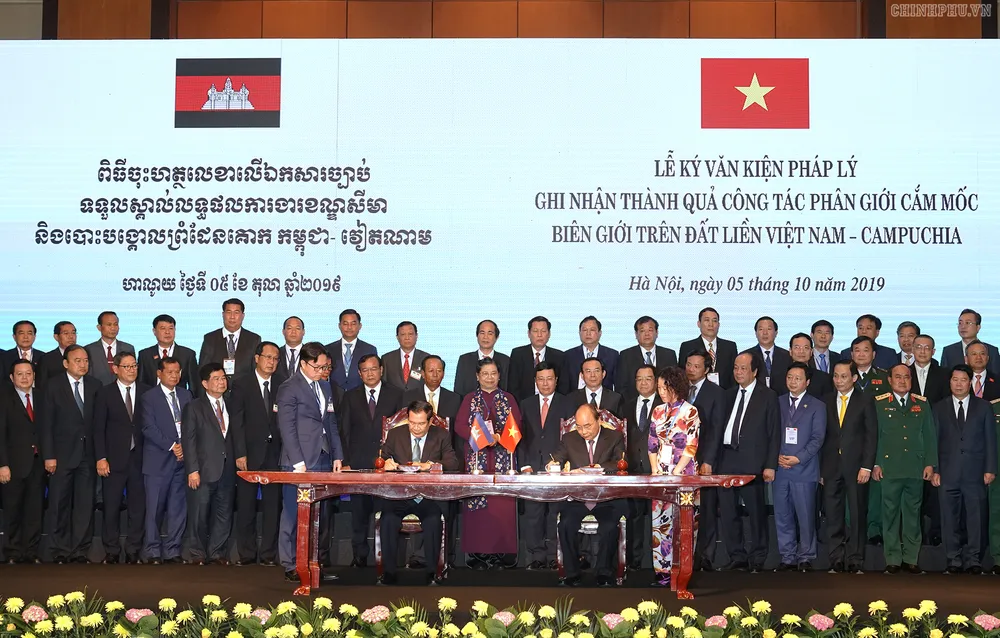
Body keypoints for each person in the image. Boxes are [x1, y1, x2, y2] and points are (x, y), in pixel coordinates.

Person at [276, 342, 344, 583]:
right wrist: (297, 462)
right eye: (317, 367)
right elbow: (287, 427)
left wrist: (337, 455)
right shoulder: (289, 387)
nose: (321, 371)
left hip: (323, 458)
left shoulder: (324, 386)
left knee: (319, 516)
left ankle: (314, 564)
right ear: (303, 364)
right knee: (293, 515)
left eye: (325, 367)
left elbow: (331, 423)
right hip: (299, 461)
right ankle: (291, 564)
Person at [377, 400, 462, 586]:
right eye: (412, 422)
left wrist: (430, 466)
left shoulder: (441, 435)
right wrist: (385, 463)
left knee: (433, 520)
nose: (415, 428)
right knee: (388, 518)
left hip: (428, 496)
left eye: (421, 423)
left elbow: (453, 463)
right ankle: (388, 573)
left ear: (430, 422)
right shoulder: (396, 434)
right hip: (400, 495)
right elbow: (381, 459)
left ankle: (432, 573)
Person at [453, 357, 522, 570]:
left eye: (493, 373)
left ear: (499, 375)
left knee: (502, 507)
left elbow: (517, 425)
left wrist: (499, 437)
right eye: (485, 374)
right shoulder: (469, 399)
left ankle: (502, 555)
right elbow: (459, 426)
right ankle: (478, 554)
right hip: (477, 461)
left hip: (503, 461)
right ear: (477, 376)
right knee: (478, 509)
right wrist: (482, 437)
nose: (489, 378)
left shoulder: (508, 398)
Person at [716, 352, 779, 572]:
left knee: (756, 512)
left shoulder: (768, 396)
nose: (738, 372)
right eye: (736, 367)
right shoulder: (727, 394)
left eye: (743, 368)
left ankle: (758, 557)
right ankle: (737, 557)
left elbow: (774, 433)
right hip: (726, 459)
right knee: (728, 511)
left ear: (755, 371)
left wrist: (770, 465)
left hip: (753, 462)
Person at [552, 403, 626, 587]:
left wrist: (596, 468)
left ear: (598, 421)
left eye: (587, 426)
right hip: (578, 498)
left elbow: (621, 462)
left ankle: (603, 573)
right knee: (565, 525)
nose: (583, 432)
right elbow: (556, 460)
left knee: (609, 527)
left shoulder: (614, 437)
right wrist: (552, 466)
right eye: (579, 427)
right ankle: (572, 573)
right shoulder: (569, 439)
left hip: (606, 498)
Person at [931, 364, 996, 574]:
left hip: (975, 473)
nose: (958, 384)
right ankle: (953, 559)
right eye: (955, 380)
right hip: (947, 473)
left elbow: (990, 440)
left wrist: (990, 469)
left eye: (963, 380)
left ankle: (974, 559)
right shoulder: (939, 408)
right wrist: (935, 469)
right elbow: (934, 441)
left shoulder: (984, 407)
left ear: (970, 382)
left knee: (975, 518)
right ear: (949, 382)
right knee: (949, 518)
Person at [340, 354, 403, 567]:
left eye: (374, 369)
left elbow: (401, 431)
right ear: (359, 373)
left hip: (387, 465)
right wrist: (347, 461)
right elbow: (344, 431)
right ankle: (359, 556)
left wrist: (395, 460)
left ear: (381, 370)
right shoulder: (350, 396)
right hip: (358, 465)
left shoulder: (396, 394)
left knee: (386, 513)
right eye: (365, 370)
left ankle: (386, 557)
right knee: (359, 514)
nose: (370, 373)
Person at [873, 363, 936, 574]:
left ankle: (911, 558)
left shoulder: (922, 404)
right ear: (889, 380)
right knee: (889, 514)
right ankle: (892, 558)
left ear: (911, 380)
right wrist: (876, 463)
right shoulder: (880, 403)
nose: (902, 381)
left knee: (912, 514)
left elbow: (929, 435)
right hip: (889, 467)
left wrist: (930, 463)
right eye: (898, 377)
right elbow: (875, 436)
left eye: (906, 377)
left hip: (915, 467)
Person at [40, 344, 101, 563]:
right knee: (59, 504)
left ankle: (80, 550)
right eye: (78, 361)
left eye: (85, 360)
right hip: (61, 456)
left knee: (85, 505)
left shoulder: (95, 385)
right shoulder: (52, 385)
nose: (83, 364)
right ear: (66, 363)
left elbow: (98, 423)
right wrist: (49, 455)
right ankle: (59, 550)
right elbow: (46, 424)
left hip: (88, 455)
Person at [229, 342, 286, 566]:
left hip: (275, 454)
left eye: (275, 358)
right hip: (249, 454)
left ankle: (269, 554)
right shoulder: (241, 383)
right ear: (256, 358)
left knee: (273, 507)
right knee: (246, 505)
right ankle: (246, 553)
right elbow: (237, 421)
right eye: (267, 357)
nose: (271, 362)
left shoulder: (282, 384)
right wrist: (240, 453)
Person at [182, 363, 245, 565]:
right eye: (216, 379)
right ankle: (197, 553)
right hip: (203, 469)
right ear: (204, 383)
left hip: (227, 469)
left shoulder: (231, 404)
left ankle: (217, 552)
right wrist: (192, 469)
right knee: (199, 514)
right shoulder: (194, 407)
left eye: (223, 378)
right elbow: (189, 440)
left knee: (224, 513)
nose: (221, 382)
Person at [402, 354, 462, 567]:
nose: (435, 375)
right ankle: (418, 556)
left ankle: (445, 557)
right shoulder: (409, 396)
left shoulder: (454, 399)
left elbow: (456, 438)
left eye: (439, 370)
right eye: (431, 370)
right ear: (422, 372)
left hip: (443, 469)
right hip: (413, 469)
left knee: (445, 510)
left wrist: (448, 465)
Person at [93, 352, 150, 563]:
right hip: (113, 460)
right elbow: (98, 428)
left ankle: (134, 549)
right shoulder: (104, 393)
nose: (132, 370)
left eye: (134, 365)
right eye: (127, 366)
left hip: (141, 459)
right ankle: (112, 550)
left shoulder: (147, 391)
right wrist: (101, 457)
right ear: (115, 369)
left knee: (138, 508)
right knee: (111, 507)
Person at [821, 360, 877, 574]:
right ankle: (835, 558)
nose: (839, 380)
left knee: (856, 513)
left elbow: (871, 436)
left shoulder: (865, 400)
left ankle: (855, 558)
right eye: (836, 376)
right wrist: (821, 470)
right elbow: (822, 437)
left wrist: (867, 467)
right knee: (833, 514)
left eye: (843, 376)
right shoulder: (825, 400)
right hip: (831, 467)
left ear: (854, 378)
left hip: (856, 467)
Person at [648, 366, 700, 586]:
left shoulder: (690, 411)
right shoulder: (657, 411)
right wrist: (655, 470)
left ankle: (682, 570)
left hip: (683, 472)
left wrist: (677, 472)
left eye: (664, 387)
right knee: (660, 522)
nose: (661, 391)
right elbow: (652, 443)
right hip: (661, 472)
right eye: (659, 388)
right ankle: (662, 571)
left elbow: (691, 446)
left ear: (676, 387)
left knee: (684, 523)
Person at [773, 363, 826, 572]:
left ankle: (806, 556)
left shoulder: (817, 405)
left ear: (807, 382)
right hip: (780, 468)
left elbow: (817, 438)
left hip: (804, 468)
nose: (793, 381)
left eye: (798, 378)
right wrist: (775, 456)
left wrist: (798, 458)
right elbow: (770, 432)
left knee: (805, 516)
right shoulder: (777, 402)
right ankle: (787, 556)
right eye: (790, 377)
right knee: (782, 515)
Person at [517, 361, 570, 569]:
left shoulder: (567, 403)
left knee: (555, 513)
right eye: (541, 379)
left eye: (549, 379)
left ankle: (554, 556)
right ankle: (536, 557)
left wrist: (558, 462)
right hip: (531, 467)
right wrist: (524, 465)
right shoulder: (525, 404)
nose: (545, 383)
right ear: (535, 381)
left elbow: (571, 438)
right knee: (533, 514)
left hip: (557, 467)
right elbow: (519, 437)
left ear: (556, 380)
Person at [139, 357, 192, 564]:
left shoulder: (186, 394)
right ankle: (152, 551)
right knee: (154, 509)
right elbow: (148, 427)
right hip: (158, 461)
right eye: (170, 372)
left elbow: (191, 425)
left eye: (177, 371)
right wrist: (172, 446)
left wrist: (184, 447)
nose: (174, 375)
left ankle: (173, 550)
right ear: (159, 374)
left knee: (178, 508)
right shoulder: (149, 397)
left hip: (182, 461)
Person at [0, 360, 44, 563]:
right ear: (12, 377)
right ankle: (12, 552)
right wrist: (2, 464)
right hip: (13, 465)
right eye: (20, 374)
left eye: (29, 373)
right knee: (13, 510)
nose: (25, 377)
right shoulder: (4, 399)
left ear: (34, 375)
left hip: (37, 463)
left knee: (34, 510)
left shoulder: (42, 397)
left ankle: (31, 552)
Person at [688, 350, 725, 571]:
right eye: (688, 365)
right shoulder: (679, 390)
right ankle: (687, 554)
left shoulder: (716, 393)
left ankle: (706, 555)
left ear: (707, 369)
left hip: (705, 459)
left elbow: (717, 430)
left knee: (707, 509)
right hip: (682, 461)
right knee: (686, 509)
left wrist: (708, 460)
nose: (691, 369)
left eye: (696, 366)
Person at [623, 364, 661, 569]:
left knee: (657, 518)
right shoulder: (627, 405)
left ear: (656, 381)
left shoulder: (664, 405)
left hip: (656, 470)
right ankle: (635, 560)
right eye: (639, 379)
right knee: (634, 516)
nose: (643, 383)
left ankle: (657, 561)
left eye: (648, 378)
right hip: (632, 470)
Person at [616, 316, 678, 401]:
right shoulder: (626, 355)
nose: (647, 334)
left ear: (657, 332)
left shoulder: (669, 355)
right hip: (635, 404)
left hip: (664, 403)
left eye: (650, 330)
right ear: (636, 334)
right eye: (642, 331)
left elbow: (675, 383)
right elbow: (621, 386)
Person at [198, 298, 262, 379]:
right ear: (223, 314)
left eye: (236, 312)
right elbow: (203, 370)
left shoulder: (253, 339)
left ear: (243, 316)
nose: (232, 317)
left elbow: (257, 370)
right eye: (228, 312)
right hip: (217, 386)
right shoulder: (210, 338)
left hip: (244, 386)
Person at [137, 314, 199, 396]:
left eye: (171, 328)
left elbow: (194, 385)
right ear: (154, 331)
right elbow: (141, 383)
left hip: (179, 400)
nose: (167, 332)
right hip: (152, 399)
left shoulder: (188, 354)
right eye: (163, 328)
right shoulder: (145, 354)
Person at [679, 307, 738, 389]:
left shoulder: (730, 346)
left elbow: (734, 375)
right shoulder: (687, 346)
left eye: (714, 321)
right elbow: (682, 375)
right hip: (696, 393)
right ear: (699, 324)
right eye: (707, 320)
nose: (711, 324)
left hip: (725, 394)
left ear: (719, 325)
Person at [509, 316, 565, 402]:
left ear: (549, 334)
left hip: (552, 404)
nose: (539, 335)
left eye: (543, 331)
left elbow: (562, 386)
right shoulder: (518, 354)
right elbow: (513, 386)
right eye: (535, 331)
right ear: (529, 334)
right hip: (524, 404)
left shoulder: (559, 356)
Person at [560, 316, 619, 394]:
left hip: (605, 400)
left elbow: (618, 384)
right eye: (585, 330)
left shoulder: (612, 355)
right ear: (579, 333)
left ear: (600, 333)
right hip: (575, 399)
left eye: (592, 330)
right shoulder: (568, 355)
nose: (588, 333)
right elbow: (564, 385)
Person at [326, 309, 378, 393]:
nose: (349, 327)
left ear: (360, 326)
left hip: (360, 395)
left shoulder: (369, 349)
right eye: (345, 323)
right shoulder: (328, 349)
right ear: (339, 326)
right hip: (333, 395)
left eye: (353, 324)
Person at [454, 320, 510, 397]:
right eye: (482, 333)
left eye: (490, 333)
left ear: (496, 337)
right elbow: (458, 390)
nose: (485, 337)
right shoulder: (464, 360)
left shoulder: (505, 361)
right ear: (477, 336)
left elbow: (508, 388)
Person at [941, 309, 1000, 377]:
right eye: (960, 323)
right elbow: (944, 378)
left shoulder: (992, 351)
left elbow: (997, 377)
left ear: (978, 327)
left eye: (968, 323)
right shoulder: (948, 351)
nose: (963, 327)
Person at [84, 311, 135, 386]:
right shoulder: (89, 350)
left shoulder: (128, 348)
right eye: (109, 324)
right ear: (99, 327)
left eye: (115, 324)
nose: (113, 328)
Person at [745, 316, 791, 396]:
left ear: (776, 333)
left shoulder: (787, 356)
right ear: (756, 333)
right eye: (761, 329)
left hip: (781, 399)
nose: (765, 333)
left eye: (769, 329)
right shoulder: (746, 356)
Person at [381, 321, 428, 393]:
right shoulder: (386, 359)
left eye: (410, 334)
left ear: (416, 336)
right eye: (403, 334)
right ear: (397, 337)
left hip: (419, 399)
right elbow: (383, 384)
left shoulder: (426, 358)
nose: (407, 338)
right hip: (394, 399)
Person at [1, 321, 44, 388]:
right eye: (21, 333)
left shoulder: (43, 357)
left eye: (29, 333)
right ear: (14, 337)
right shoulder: (3, 357)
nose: (25, 337)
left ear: (34, 336)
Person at [789, 333, 833, 398]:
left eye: (806, 348)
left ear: (811, 352)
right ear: (790, 351)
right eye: (797, 347)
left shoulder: (823, 378)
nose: (801, 351)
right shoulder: (780, 377)